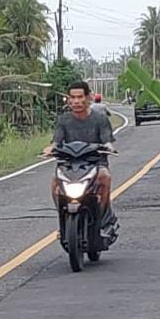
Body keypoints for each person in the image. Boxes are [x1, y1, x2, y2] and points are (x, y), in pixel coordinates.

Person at [43, 81, 118, 241]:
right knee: (55, 181)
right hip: (69, 165)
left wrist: (108, 147)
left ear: (88, 97)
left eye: (80, 97)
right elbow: (56, 141)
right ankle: (63, 220)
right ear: (68, 100)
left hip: (95, 163)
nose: (76, 101)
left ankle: (102, 220)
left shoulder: (100, 119)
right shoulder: (63, 120)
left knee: (105, 177)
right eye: (73, 97)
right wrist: (50, 149)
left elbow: (107, 140)